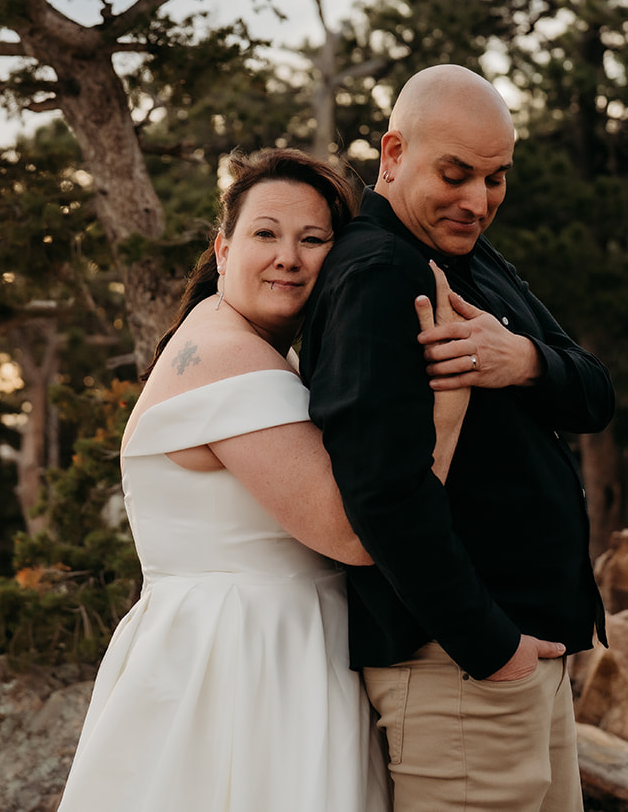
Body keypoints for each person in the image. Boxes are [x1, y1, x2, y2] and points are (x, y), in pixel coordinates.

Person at [57, 148, 463, 812]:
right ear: (223, 250)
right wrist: (448, 408)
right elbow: (356, 533)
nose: (289, 257)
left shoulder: (234, 342)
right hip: (246, 665)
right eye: (266, 234)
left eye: (312, 239)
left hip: (248, 647)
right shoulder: (229, 358)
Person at [300, 65, 615, 812]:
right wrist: (494, 649)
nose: (478, 200)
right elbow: (382, 493)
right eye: (457, 173)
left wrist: (526, 361)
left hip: (522, 656)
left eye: (497, 178)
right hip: (459, 669)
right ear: (394, 151)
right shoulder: (379, 272)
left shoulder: (469, 255)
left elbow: (595, 392)